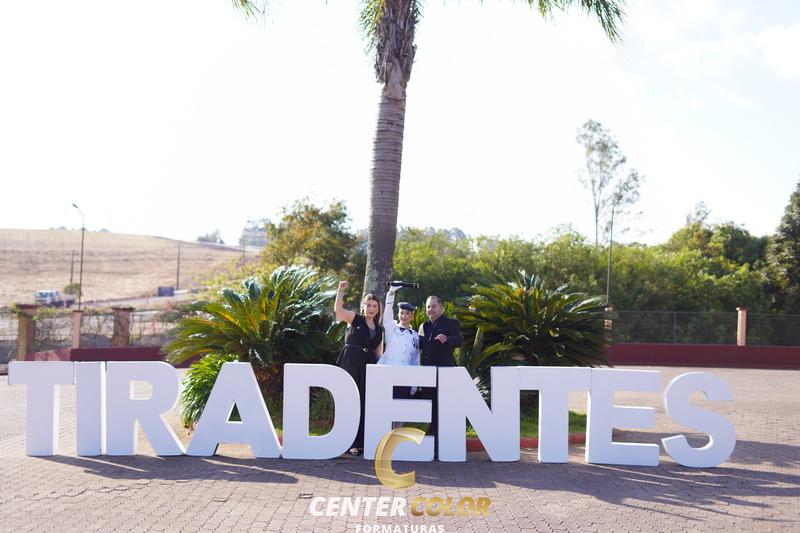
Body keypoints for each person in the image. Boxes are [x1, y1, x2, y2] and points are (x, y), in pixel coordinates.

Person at [334, 280, 384, 456]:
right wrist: (340, 292)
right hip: (351, 360)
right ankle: (347, 442)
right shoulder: (355, 319)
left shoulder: (380, 329)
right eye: (368, 305)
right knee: (350, 400)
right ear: (363, 306)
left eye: (374, 306)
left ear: (378, 309)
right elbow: (339, 311)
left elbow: (379, 353)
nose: (371, 308)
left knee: (364, 402)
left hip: (368, 364)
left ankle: (360, 442)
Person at [418, 295, 462, 455]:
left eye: (433, 306)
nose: (431, 310)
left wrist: (447, 338)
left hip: (444, 372)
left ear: (441, 307)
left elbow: (459, 341)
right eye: (428, 307)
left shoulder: (450, 323)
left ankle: (440, 443)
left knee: (442, 407)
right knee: (429, 406)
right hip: (427, 373)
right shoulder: (423, 326)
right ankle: (431, 440)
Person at [379, 286, 422, 420]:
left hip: (405, 377)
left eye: (407, 313)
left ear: (412, 316)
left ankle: (397, 433)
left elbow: (415, 359)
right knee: (386, 410)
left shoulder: (415, 336)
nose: (403, 316)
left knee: (401, 412)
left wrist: (415, 382)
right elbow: (387, 315)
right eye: (401, 313)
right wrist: (391, 294)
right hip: (388, 375)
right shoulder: (392, 328)